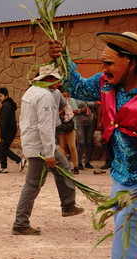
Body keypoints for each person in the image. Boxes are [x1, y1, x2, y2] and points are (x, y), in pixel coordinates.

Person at [49, 31, 137, 259]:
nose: (103, 68)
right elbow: (77, 86)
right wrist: (63, 58)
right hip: (120, 175)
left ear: (131, 61)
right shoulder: (106, 82)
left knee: (127, 249)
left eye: (108, 62)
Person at [12, 64, 84, 236]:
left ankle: (68, 205)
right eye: (56, 79)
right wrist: (49, 154)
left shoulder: (35, 91)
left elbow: (58, 103)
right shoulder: (43, 96)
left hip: (39, 143)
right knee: (33, 183)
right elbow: (44, 127)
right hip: (41, 146)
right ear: (49, 79)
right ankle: (20, 223)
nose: (59, 82)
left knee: (64, 169)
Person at [0, 87, 25, 173]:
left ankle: (19, 160)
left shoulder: (6, 106)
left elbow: (4, 121)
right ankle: (3, 167)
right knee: (2, 147)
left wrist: (3, 132)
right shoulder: (9, 105)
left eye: (1, 96)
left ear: (6, 96)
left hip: (8, 131)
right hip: (10, 129)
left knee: (3, 148)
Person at [58, 86, 79, 174]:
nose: (65, 94)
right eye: (63, 92)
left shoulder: (72, 101)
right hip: (61, 126)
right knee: (62, 146)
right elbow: (57, 113)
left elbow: (76, 111)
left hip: (71, 126)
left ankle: (76, 166)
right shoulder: (58, 101)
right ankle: (65, 165)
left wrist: (68, 110)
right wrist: (63, 111)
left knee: (72, 146)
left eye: (66, 92)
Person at [75, 98, 98, 171]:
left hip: (91, 122)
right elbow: (71, 110)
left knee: (89, 142)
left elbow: (96, 106)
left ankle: (87, 161)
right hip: (79, 122)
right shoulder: (75, 97)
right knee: (81, 142)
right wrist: (81, 110)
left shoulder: (91, 96)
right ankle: (79, 162)